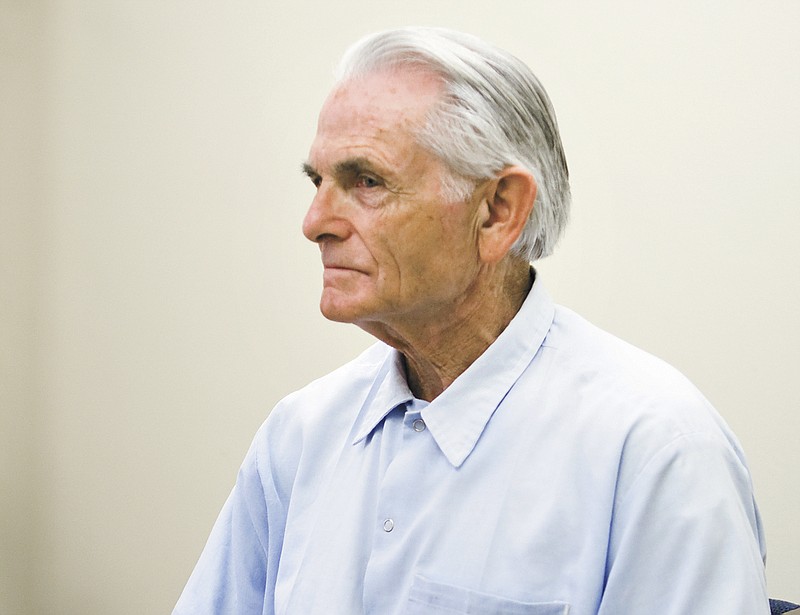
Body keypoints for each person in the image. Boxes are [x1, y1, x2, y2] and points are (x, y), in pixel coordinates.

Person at [174, 27, 769, 614]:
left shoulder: (655, 452)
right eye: (318, 181)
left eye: (366, 181)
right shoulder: (301, 435)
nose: (315, 221)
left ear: (497, 212)